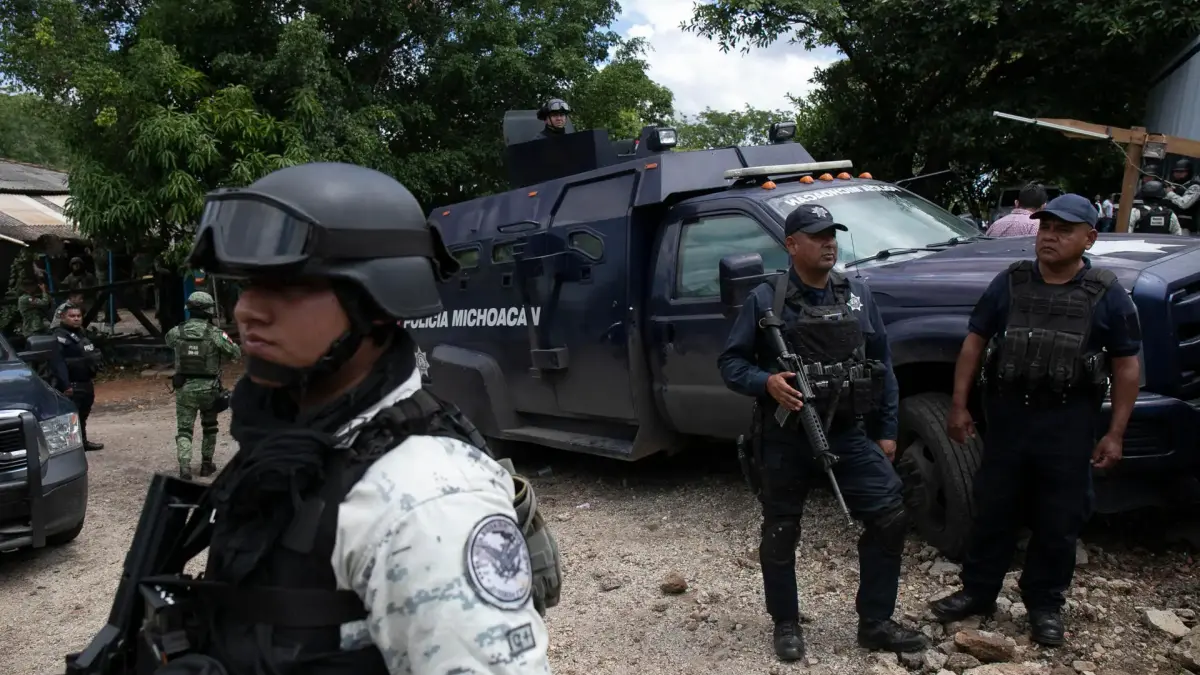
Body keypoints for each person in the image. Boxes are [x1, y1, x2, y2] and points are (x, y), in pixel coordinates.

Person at [147, 162, 560, 674]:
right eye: (249, 284)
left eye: (288, 287)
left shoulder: (426, 501)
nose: (248, 310)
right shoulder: (297, 443)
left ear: (379, 303)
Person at [718, 204, 927, 661]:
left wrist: (887, 431)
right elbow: (730, 363)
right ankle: (786, 622)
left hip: (847, 431)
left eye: (832, 234)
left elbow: (882, 364)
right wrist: (766, 382)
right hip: (785, 434)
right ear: (792, 245)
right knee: (781, 529)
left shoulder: (857, 295)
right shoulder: (766, 300)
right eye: (817, 236)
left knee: (890, 514)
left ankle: (875, 622)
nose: (828, 243)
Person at [936, 193, 1141, 647]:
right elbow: (974, 342)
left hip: (1067, 425)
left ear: (1089, 238)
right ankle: (978, 591)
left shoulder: (1106, 293)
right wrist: (958, 405)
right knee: (993, 509)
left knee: (1058, 520)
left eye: (1063, 230)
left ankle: (1045, 604)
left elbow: (1127, 366)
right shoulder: (1011, 282)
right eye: (1045, 227)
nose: (1050, 237)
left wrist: (1116, 433)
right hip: (1009, 420)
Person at [165, 291, 241, 479]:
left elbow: (169, 342)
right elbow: (236, 353)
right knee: (209, 427)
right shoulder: (215, 333)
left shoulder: (176, 332)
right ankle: (206, 465)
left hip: (185, 389)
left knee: (184, 430)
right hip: (209, 389)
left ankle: (184, 467)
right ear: (208, 310)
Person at [51, 305, 104, 451]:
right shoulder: (59, 336)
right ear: (63, 317)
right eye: (72, 316)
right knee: (70, 417)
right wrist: (65, 385)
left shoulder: (81, 333)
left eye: (78, 316)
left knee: (83, 414)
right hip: (71, 383)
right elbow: (57, 363)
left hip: (85, 381)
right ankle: (70, 447)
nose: (76, 319)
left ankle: (83, 442)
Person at [1166, 157, 1200, 234]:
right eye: (1176, 171)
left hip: (1184, 228)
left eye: (1182, 172)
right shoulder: (1172, 185)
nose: (1178, 174)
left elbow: (1184, 204)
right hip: (1168, 224)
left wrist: (1170, 194)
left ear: (1189, 172)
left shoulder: (1194, 187)